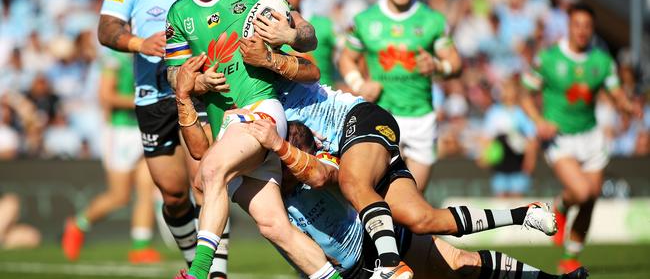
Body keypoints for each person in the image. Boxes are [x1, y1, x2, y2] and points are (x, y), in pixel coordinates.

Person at [171, 61, 580, 279]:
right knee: (434, 231)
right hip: (357, 259)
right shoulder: (260, 178)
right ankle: (526, 221)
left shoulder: (326, 162)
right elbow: (205, 164)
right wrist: (184, 96)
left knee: (372, 193)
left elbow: (320, 174)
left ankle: (391, 264)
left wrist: (278, 142)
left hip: (367, 184)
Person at [164, 0, 344, 279]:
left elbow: (307, 37)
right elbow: (175, 73)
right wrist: (195, 80)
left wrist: (291, 32)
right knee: (275, 227)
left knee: (210, 172)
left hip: (261, 112)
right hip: (224, 127)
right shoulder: (178, 14)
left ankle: (198, 272)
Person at [95, 0, 229, 277]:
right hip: (152, 95)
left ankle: (213, 273)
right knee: (172, 194)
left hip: (199, 95)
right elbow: (106, 29)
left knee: (206, 182)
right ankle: (192, 260)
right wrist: (141, 43)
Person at [521, 3, 641, 273]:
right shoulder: (548, 59)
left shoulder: (602, 61)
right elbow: (524, 95)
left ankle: (570, 257)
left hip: (591, 137)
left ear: (592, 29)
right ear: (569, 26)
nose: (582, 31)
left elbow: (616, 92)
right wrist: (539, 121)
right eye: (577, 25)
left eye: (587, 26)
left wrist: (626, 105)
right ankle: (561, 205)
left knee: (591, 198)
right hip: (561, 139)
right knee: (582, 191)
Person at [339, 0, 462, 193]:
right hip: (382, 116)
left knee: (412, 202)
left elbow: (455, 64)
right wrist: (360, 84)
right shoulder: (365, 20)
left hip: (421, 118)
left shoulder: (432, 20)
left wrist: (438, 67)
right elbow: (347, 58)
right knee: (376, 193)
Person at [62, 50, 160, 263]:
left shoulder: (152, 53)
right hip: (120, 131)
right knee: (119, 196)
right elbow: (106, 96)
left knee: (147, 187)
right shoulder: (114, 57)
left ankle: (140, 247)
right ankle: (78, 224)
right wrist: (145, 100)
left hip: (146, 127)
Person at [275, 0, 340, 88]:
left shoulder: (326, 24)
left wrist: (355, 83)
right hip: (286, 98)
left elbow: (347, 55)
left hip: (323, 97)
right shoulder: (269, 28)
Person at [479, 76, 538, 198]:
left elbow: (531, 139)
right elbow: (487, 138)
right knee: (500, 200)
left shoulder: (522, 113)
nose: (506, 92)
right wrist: (485, 156)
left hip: (518, 166)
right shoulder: (494, 113)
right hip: (500, 166)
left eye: (509, 89)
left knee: (518, 201)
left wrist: (530, 160)